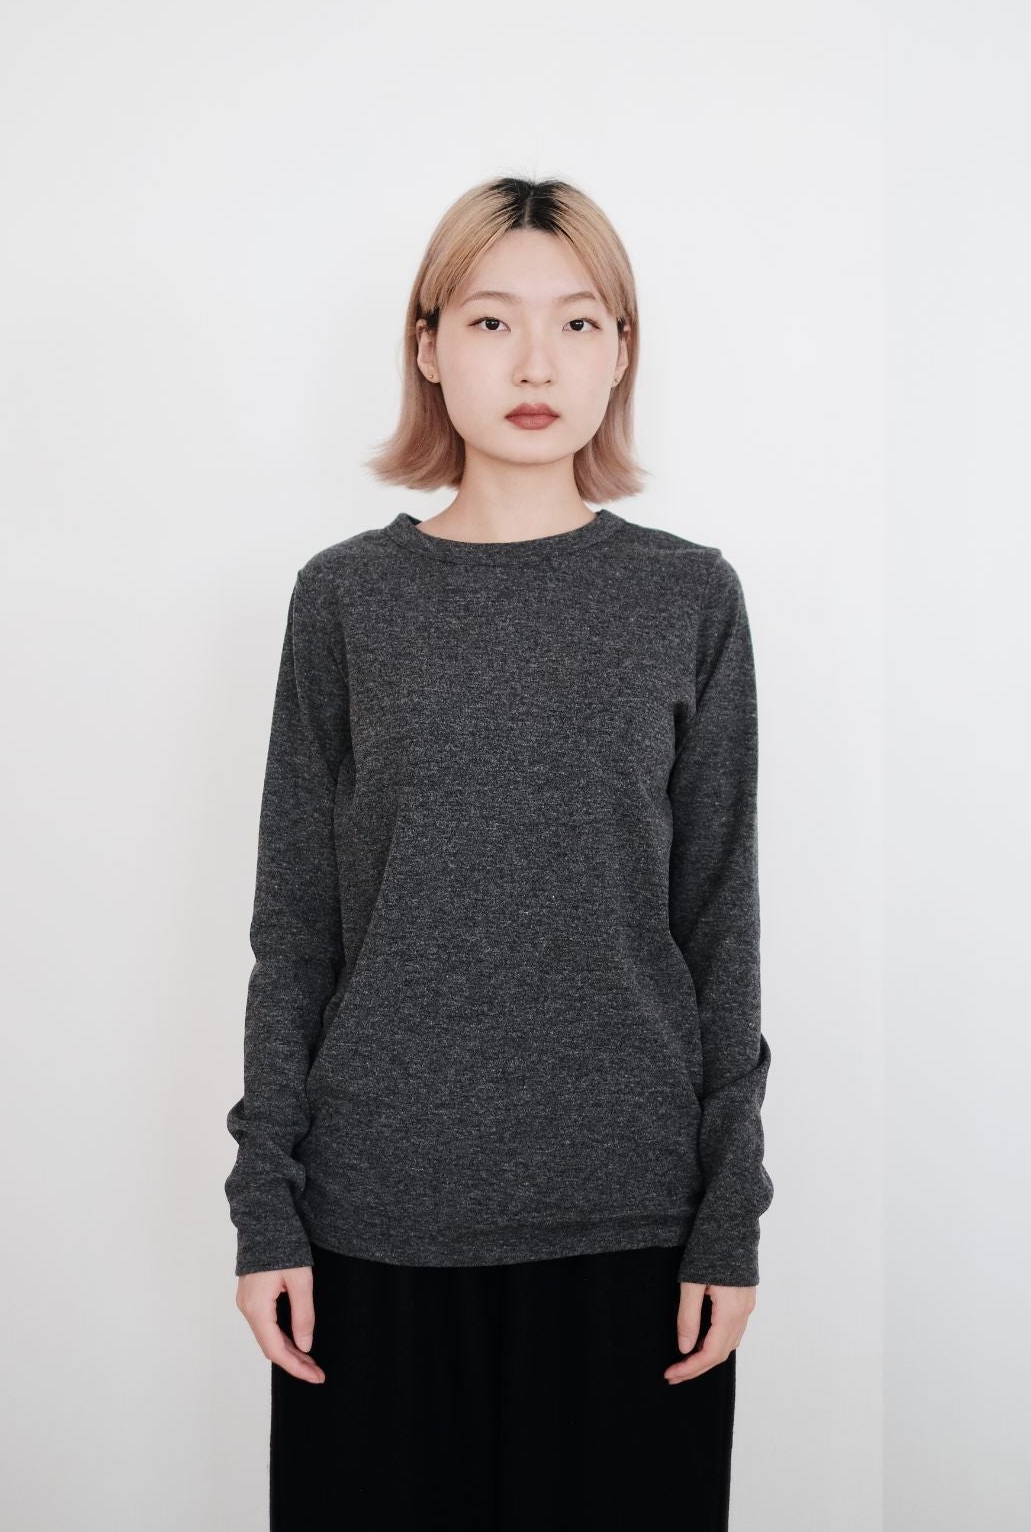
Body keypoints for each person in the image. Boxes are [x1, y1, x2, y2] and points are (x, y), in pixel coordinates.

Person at [224, 174, 775, 1530]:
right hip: (375, 1224)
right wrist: (265, 1205)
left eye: (579, 323)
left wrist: (731, 1212)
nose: (537, 363)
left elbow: (721, 922)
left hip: (631, 1227)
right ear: (427, 347)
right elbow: (295, 924)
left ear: (621, 353)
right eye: (490, 321)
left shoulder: (687, 597)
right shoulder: (346, 598)